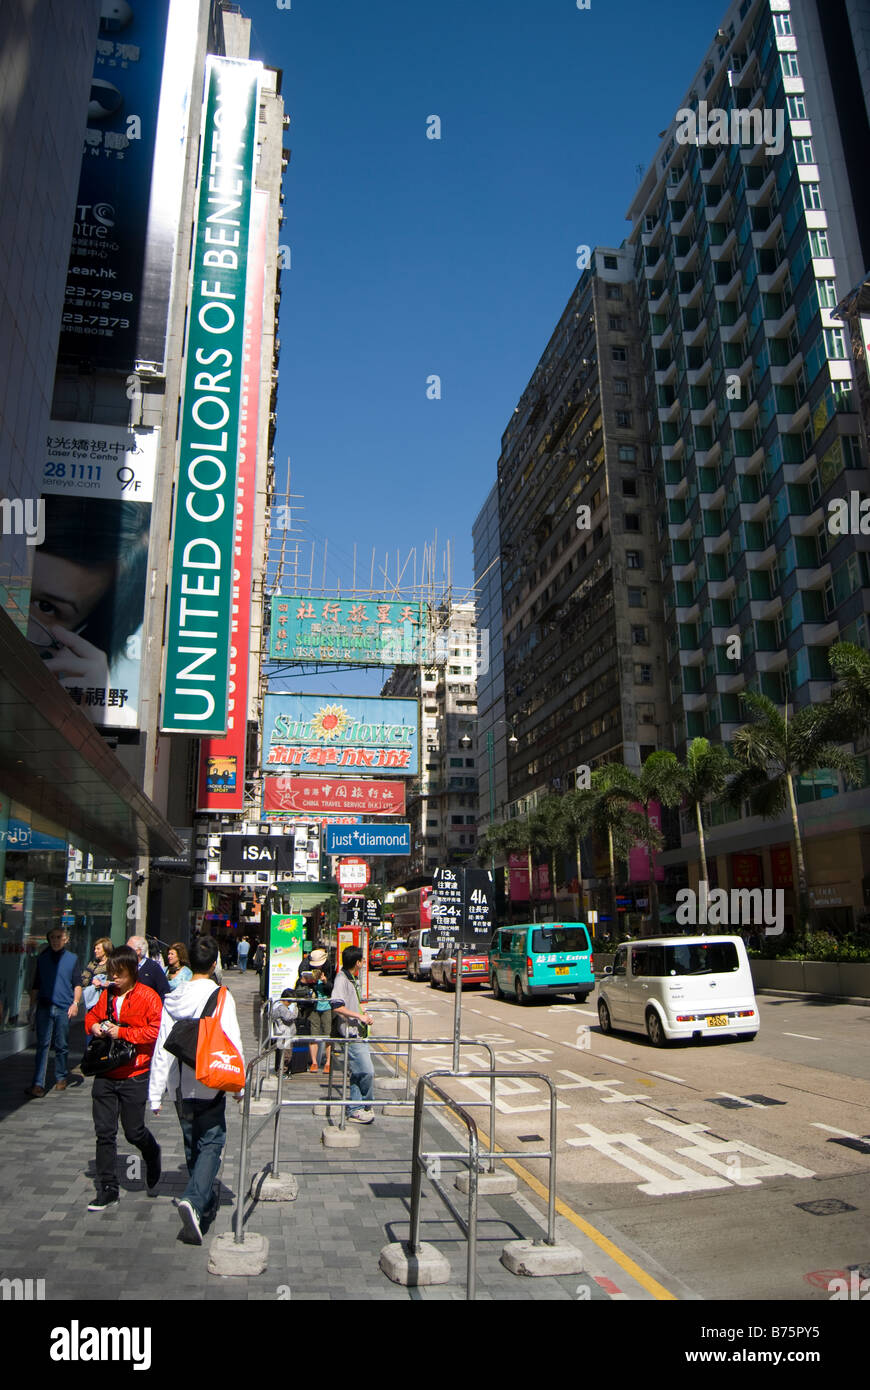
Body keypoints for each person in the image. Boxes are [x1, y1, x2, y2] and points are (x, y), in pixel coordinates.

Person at [148, 936, 245, 1245]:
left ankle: (200, 1206)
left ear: (190, 961)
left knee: (192, 1145)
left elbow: (162, 1047)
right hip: (210, 1080)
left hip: (179, 1084)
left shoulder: (174, 996)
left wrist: (154, 1093)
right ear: (214, 963)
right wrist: (239, 1084)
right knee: (212, 1144)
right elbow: (232, 1039)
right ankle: (193, 1199)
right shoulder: (220, 996)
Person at [84, 944, 162, 1212]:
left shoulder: (148, 997)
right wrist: (95, 1026)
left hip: (134, 1072)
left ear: (131, 972)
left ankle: (152, 1152)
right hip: (106, 1070)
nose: (114, 978)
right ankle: (108, 1188)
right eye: (111, 973)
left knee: (133, 1131)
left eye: (119, 973)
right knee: (104, 1133)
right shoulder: (107, 995)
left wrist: (123, 1033)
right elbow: (91, 1017)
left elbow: (155, 1031)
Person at [26, 926, 83, 1097]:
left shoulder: (72, 959)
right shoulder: (42, 958)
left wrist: (75, 1003)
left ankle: (60, 1077)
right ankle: (38, 1083)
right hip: (44, 1006)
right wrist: (31, 1008)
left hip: (64, 1007)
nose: (56, 940)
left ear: (65, 939)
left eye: (59, 937)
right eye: (52, 937)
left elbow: (77, 984)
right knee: (42, 1045)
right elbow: (36, 984)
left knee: (62, 1044)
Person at [329, 946, 375, 1124]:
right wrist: (359, 1016)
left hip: (359, 1031)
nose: (364, 963)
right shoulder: (342, 979)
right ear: (357, 963)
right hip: (350, 1034)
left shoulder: (351, 978)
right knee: (367, 1071)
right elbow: (337, 1005)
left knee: (357, 1073)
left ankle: (356, 1109)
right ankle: (364, 1106)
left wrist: (363, 1014)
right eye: (362, 960)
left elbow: (352, 1003)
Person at [305, 948, 333, 1074]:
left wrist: (325, 981)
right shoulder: (308, 968)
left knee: (328, 1034)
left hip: (327, 1006)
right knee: (313, 1034)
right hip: (314, 1006)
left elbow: (333, 988)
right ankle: (314, 1062)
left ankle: (328, 1062)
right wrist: (307, 982)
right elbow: (301, 985)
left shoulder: (330, 970)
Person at [127, 935, 169, 1001]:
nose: (124, 951)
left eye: (128, 948)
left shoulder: (153, 968)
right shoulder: (124, 966)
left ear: (138, 951)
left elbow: (164, 992)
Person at [271, 988, 299, 1076]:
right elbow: (289, 1017)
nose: (291, 1003)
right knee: (286, 1055)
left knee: (283, 1053)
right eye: (290, 1001)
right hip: (284, 1035)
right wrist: (296, 1009)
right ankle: (282, 1072)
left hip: (284, 1034)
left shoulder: (279, 1006)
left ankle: (281, 1071)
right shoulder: (281, 1007)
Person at [82, 937, 113, 1011]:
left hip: (107, 1000)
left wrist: (107, 983)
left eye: (98, 949)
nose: (95, 951)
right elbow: (83, 979)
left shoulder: (112, 963)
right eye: (95, 949)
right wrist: (92, 981)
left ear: (105, 949)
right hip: (93, 1001)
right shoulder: (93, 964)